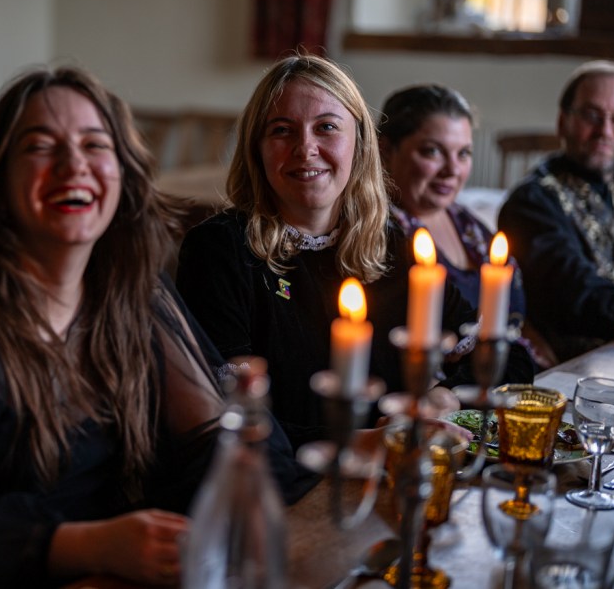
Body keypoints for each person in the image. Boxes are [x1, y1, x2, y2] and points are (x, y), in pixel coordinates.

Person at [0, 66, 316, 587]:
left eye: (95, 145)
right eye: (41, 147)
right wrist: (97, 544)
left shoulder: (130, 294)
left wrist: (256, 493)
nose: (74, 165)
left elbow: (214, 436)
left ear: (122, 172)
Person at [176, 54, 534, 449]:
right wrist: (366, 443)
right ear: (257, 149)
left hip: (396, 469)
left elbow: (509, 360)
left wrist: (441, 397)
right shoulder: (219, 250)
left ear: (360, 144)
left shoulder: (390, 243)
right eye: (282, 130)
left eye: (326, 127)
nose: (305, 148)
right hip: (285, 483)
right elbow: (225, 418)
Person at [498, 60, 614, 361]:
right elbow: (567, 278)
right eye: (591, 116)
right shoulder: (532, 201)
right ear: (563, 122)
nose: (605, 131)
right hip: (580, 367)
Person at [378, 84, 529, 341]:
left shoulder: (468, 225)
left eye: (463, 154)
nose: (452, 170)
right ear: (386, 151)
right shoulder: (380, 235)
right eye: (432, 151)